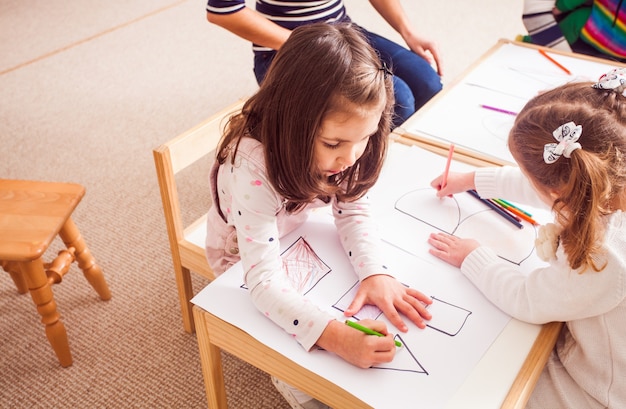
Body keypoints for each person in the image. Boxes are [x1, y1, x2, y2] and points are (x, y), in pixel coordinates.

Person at [204, 22, 433, 409]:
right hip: (239, 258)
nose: (351, 157)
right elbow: (262, 282)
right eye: (333, 143)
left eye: (365, 137)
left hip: (293, 229)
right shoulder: (251, 166)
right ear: (292, 122)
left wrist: (374, 271)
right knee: (308, 368)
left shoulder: (347, 148)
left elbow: (352, 207)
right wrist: (335, 336)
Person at [427, 68, 626, 408]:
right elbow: (544, 187)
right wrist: (471, 179)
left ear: (558, 188)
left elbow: (527, 300)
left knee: (491, 389)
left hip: (601, 389)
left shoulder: (602, 255)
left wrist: (473, 256)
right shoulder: (608, 181)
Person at [206, 0, 443, 129]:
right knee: (397, 100)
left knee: (428, 84)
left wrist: (409, 32)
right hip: (287, 49)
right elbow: (223, 10)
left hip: (342, 32)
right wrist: (306, 43)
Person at [520, 0, 626, 61]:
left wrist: (561, 7)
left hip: (591, 27)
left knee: (576, 19)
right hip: (620, 53)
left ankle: (531, 44)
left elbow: (533, 16)